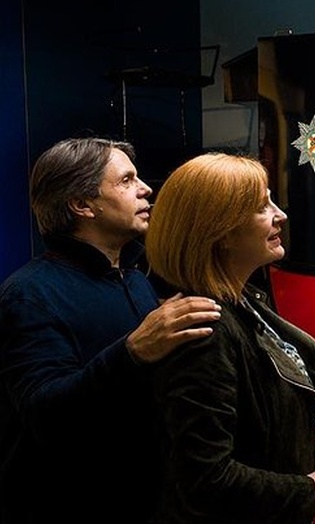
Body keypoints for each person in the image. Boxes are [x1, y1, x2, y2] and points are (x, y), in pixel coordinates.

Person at [0, 137, 223, 524]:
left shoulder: (135, 279)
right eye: (126, 180)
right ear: (82, 205)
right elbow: (44, 415)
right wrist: (134, 350)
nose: (146, 188)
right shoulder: (29, 294)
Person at [145, 152, 315, 523]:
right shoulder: (203, 331)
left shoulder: (245, 302)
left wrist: (311, 408)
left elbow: (255, 408)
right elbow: (204, 479)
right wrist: (303, 492)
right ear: (220, 232)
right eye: (261, 207)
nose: (280, 215)